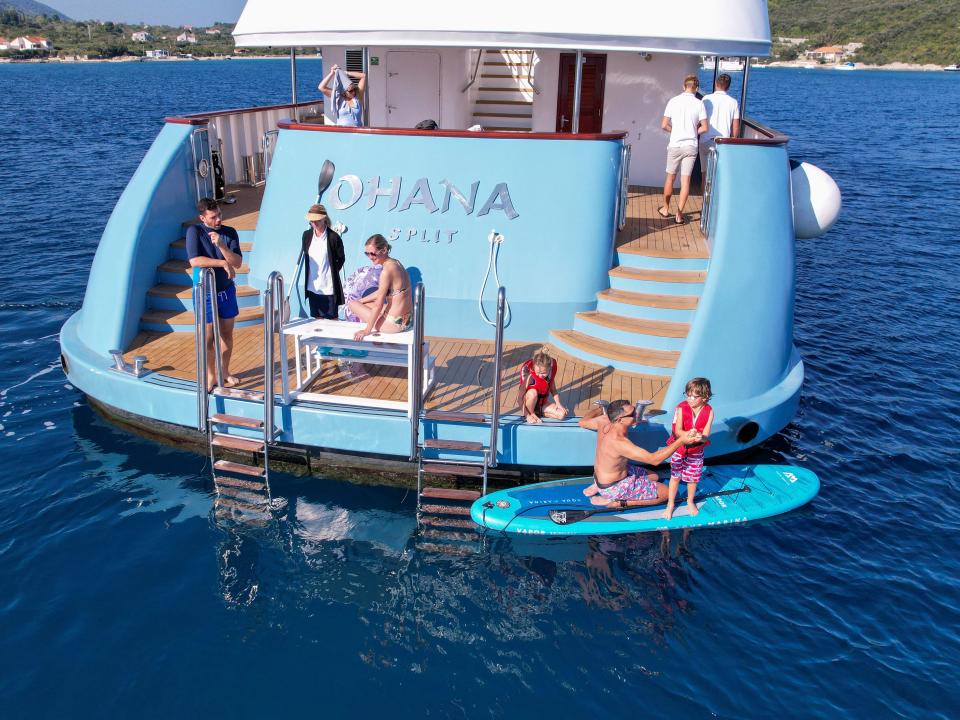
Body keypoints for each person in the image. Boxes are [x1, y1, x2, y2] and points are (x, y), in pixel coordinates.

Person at [579, 400, 701, 507]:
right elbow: (654, 460)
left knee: (654, 476)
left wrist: (600, 409)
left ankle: (598, 485)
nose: (637, 414)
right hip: (613, 486)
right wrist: (681, 441)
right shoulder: (620, 443)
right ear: (620, 419)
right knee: (667, 493)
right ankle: (618, 502)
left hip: (608, 475)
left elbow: (583, 422)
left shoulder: (604, 419)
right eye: (633, 414)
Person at [185, 198, 243, 391]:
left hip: (226, 290)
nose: (218, 219)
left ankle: (224, 371)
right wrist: (221, 263)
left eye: (219, 214)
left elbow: (238, 262)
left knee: (226, 333)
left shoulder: (229, 233)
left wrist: (222, 247)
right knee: (208, 338)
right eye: (213, 216)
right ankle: (211, 375)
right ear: (203, 218)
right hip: (205, 292)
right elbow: (195, 261)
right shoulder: (195, 232)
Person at [658, 75, 708, 225]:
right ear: (697, 88)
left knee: (670, 178)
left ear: (683, 86)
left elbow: (664, 125)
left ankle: (666, 209)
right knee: (685, 181)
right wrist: (692, 132)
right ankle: (679, 214)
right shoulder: (700, 104)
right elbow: (705, 127)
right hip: (690, 146)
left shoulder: (673, 101)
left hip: (675, 145)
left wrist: (675, 131)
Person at [664, 378, 715, 519]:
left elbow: (706, 436)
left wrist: (700, 437)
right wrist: (688, 434)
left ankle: (690, 501)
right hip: (679, 449)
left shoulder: (709, 412)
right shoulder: (681, 408)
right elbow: (677, 430)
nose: (690, 399)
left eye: (694, 396)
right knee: (675, 477)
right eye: (688, 395)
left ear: (705, 397)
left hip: (696, 451)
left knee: (692, 479)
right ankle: (670, 504)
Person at [348, 234, 413, 340]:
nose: (370, 257)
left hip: (394, 325)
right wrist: (361, 301)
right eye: (367, 254)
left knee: (352, 304)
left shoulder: (386, 272)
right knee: (364, 303)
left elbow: (378, 305)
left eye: (372, 253)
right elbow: (381, 292)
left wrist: (366, 330)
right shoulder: (396, 263)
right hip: (407, 320)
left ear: (384, 250)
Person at [300, 204, 345, 319]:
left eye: (317, 221)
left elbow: (341, 258)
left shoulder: (333, 238)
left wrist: (331, 271)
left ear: (324, 218)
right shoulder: (306, 235)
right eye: (312, 221)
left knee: (332, 321)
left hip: (328, 288)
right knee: (317, 321)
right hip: (312, 287)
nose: (314, 224)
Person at [699, 74, 741, 177]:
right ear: (728, 86)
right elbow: (735, 126)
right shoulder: (733, 102)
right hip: (722, 143)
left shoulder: (705, 99)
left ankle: (703, 192)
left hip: (705, 140)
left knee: (704, 173)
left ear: (716, 84)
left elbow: (699, 120)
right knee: (719, 174)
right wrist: (734, 139)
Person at [518, 347, 568, 424]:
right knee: (533, 393)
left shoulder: (549, 376)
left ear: (549, 369)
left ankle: (538, 413)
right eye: (538, 372)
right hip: (528, 405)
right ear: (534, 367)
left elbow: (554, 391)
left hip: (541, 405)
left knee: (562, 414)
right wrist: (527, 416)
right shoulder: (529, 377)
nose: (540, 375)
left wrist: (558, 404)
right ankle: (532, 414)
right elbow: (519, 399)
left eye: (543, 373)